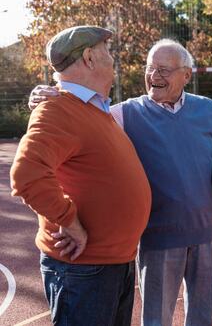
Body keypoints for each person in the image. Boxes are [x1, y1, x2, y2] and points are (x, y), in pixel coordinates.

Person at [30, 38, 212, 326]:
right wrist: (48, 95)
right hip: (158, 238)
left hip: (208, 232)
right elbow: (78, 115)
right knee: (156, 319)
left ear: (186, 75)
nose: (154, 76)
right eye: (150, 68)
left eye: (164, 70)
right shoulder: (124, 114)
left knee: (202, 316)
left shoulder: (208, 110)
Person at [11, 25, 151, 326]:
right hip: (83, 270)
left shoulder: (96, 110)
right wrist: (69, 221)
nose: (113, 60)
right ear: (89, 58)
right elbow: (26, 174)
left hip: (111, 264)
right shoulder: (58, 109)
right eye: (108, 52)